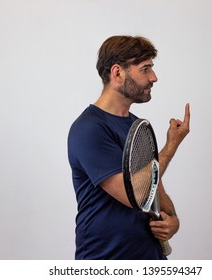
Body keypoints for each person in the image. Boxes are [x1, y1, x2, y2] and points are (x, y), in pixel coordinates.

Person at [67, 35, 190, 259]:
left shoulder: (136, 125)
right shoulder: (89, 129)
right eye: (145, 69)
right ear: (117, 73)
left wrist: (172, 221)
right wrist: (171, 145)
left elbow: (155, 190)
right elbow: (133, 193)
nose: (154, 77)